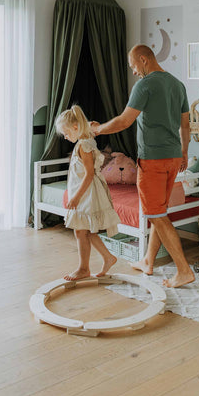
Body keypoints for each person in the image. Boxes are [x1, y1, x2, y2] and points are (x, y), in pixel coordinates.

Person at [91, 44, 194, 288]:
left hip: (153, 159)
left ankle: (184, 270)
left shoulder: (145, 85)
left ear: (143, 59)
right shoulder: (177, 85)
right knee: (160, 211)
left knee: (156, 215)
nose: (134, 71)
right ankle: (148, 260)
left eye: (133, 66)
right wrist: (184, 153)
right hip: (173, 159)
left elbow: (124, 121)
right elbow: (186, 126)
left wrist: (97, 129)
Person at [55, 105, 121, 281]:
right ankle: (107, 257)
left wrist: (75, 197)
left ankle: (83, 268)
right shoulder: (87, 139)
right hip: (87, 192)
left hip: (86, 195)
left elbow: (89, 174)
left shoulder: (83, 145)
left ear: (76, 128)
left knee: (80, 231)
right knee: (86, 230)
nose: (66, 137)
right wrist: (90, 126)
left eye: (67, 133)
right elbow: (90, 127)